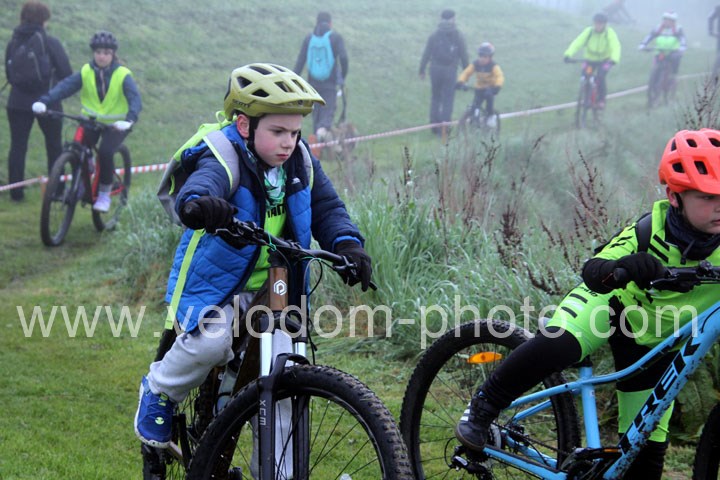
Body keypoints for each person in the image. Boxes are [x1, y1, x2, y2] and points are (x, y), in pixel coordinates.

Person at [134, 63, 372, 454]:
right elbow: (201, 185)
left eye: (294, 132)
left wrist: (348, 245)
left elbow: (327, 207)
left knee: (287, 370)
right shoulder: (224, 154)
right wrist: (201, 205)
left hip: (276, 286)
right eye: (277, 131)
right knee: (211, 345)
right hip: (219, 283)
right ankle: (159, 389)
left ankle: (278, 466)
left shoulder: (300, 161)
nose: (288, 142)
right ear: (244, 125)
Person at [455, 128, 720, 479]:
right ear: (674, 196)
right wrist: (625, 268)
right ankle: (482, 406)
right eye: (707, 197)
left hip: (656, 347)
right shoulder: (649, 231)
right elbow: (594, 270)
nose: (719, 205)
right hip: (610, 308)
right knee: (559, 344)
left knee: (644, 460)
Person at [32, 31, 142, 212]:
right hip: (91, 121)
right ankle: (82, 179)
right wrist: (44, 101)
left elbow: (135, 98)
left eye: (106, 53)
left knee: (105, 152)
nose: (101, 56)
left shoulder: (122, 74)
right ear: (93, 53)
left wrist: (130, 120)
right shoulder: (86, 71)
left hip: (116, 125)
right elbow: (65, 87)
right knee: (76, 148)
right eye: (98, 52)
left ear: (113, 54)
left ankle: (104, 193)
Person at [5, 1, 71, 202]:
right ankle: (57, 190)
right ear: (44, 20)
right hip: (47, 101)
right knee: (54, 146)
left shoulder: (13, 42)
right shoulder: (51, 43)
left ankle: (16, 193)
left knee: (18, 146)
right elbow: (66, 73)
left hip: (17, 102)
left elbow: (10, 74)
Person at [293, 12, 348, 141]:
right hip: (330, 83)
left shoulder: (309, 39)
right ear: (330, 23)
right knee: (326, 115)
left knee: (316, 116)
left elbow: (300, 61)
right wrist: (342, 77)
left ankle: (317, 144)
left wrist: (293, 80)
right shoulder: (335, 38)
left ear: (316, 23)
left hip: (312, 84)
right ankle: (322, 137)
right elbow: (344, 58)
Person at [419, 8, 469, 135]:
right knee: (448, 99)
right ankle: (444, 129)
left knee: (435, 98)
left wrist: (422, 69)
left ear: (441, 19)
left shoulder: (434, 35)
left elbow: (426, 53)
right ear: (453, 19)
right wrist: (466, 73)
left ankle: (434, 127)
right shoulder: (458, 35)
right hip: (450, 71)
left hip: (435, 70)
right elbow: (464, 55)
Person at [563, 12, 621, 109]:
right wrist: (568, 54)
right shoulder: (589, 31)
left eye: (600, 23)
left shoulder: (609, 33)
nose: (598, 26)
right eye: (596, 23)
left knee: (601, 77)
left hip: (604, 61)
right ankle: (587, 99)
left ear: (605, 24)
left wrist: (614, 59)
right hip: (590, 61)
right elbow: (577, 43)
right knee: (585, 76)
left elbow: (615, 46)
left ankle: (601, 100)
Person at [456, 42, 504, 118]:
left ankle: (491, 117)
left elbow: (499, 76)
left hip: (491, 89)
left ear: (490, 57)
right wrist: (461, 82)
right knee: (474, 106)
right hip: (479, 88)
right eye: (480, 56)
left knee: (489, 105)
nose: (482, 59)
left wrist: (497, 87)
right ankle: (472, 119)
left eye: (485, 56)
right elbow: (466, 73)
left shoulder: (493, 66)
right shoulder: (475, 64)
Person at [638, 12, 686, 76]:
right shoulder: (658, 28)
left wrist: (682, 47)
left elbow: (682, 39)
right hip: (659, 51)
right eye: (665, 20)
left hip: (673, 51)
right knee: (655, 67)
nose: (667, 22)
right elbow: (650, 36)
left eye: (670, 20)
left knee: (675, 59)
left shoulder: (678, 29)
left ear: (674, 22)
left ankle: (673, 76)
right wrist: (643, 44)